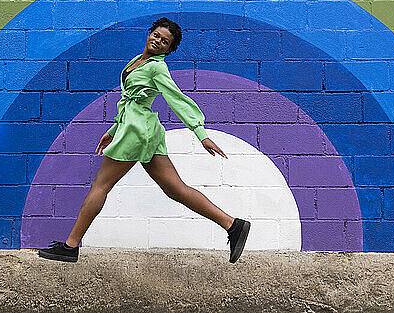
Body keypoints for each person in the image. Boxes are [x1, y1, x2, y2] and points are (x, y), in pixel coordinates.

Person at [38, 17, 250, 264]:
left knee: (100, 186)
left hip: (137, 132)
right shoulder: (140, 61)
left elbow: (176, 99)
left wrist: (200, 133)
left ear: (170, 50)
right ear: (150, 33)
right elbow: (132, 100)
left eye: (165, 42)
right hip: (140, 128)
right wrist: (114, 128)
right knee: (176, 189)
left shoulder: (157, 68)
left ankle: (71, 246)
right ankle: (232, 225)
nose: (158, 41)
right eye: (157, 35)